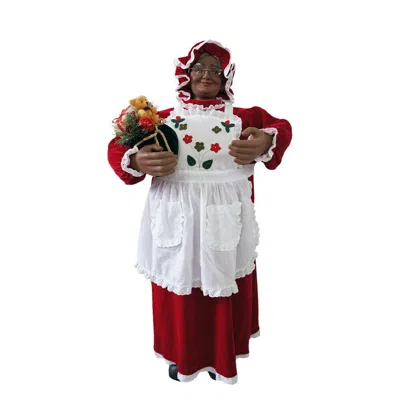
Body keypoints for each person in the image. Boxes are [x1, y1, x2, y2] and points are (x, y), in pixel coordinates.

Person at [107, 40, 292, 384]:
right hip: (176, 223)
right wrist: (136, 159)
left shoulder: (245, 118)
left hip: (225, 223)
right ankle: (182, 356)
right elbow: (118, 146)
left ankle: (221, 357)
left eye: (215, 70)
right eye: (199, 68)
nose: (206, 75)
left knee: (225, 286)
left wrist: (267, 141)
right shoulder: (159, 121)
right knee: (180, 290)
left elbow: (282, 127)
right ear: (186, 74)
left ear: (226, 78)